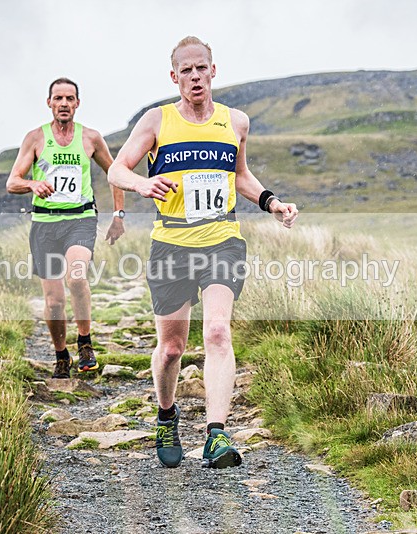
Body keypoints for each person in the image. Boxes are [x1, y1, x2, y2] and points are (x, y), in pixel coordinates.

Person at [108, 37, 298, 468]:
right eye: (186, 70)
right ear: (173, 76)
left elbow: (240, 175)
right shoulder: (157, 120)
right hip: (171, 244)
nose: (195, 76)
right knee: (171, 349)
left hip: (221, 241)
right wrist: (141, 183)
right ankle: (166, 415)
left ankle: (216, 435)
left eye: (201, 68)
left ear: (214, 71)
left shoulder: (236, 122)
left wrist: (271, 202)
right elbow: (117, 169)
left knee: (216, 332)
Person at [7, 77, 125, 378]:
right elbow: (12, 182)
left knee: (76, 277)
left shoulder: (91, 138)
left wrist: (118, 215)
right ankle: (61, 355)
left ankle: (84, 342)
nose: (63, 104)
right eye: (58, 98)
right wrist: (32, 184)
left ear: (77, 103)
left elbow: (115, 173)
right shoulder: (35, 138)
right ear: (49, 103)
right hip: (45, 224)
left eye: (69, 98)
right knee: (54, 301)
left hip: (80, 220)